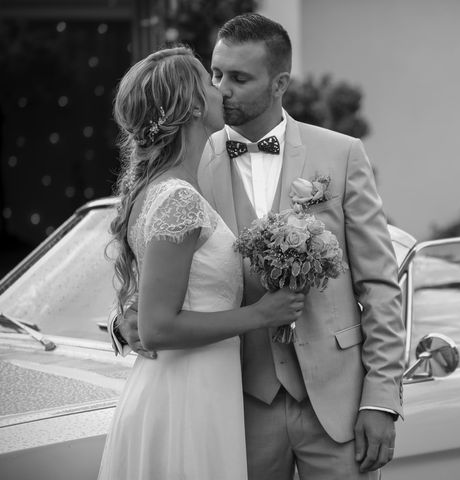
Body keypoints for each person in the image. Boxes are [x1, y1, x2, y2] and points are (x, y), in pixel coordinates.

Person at [111, 13, 406, 479]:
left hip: (337, 403)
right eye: (216, 74)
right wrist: (125, 320)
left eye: (240, 78)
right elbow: (153, 262)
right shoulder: (186, 165)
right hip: (236, 403)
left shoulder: (341, 153)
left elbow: (381, 285)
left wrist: (382, 400)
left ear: (279, 82)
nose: (223, 88)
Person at [99, 46, 306, 480]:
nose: (221, 90)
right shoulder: (177, 198)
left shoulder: (163, 188)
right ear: (193, 104)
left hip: (200, 386)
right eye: (210, 80)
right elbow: (157, 327)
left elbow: (159, 296)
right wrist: (260, 314)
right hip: (186, 396)